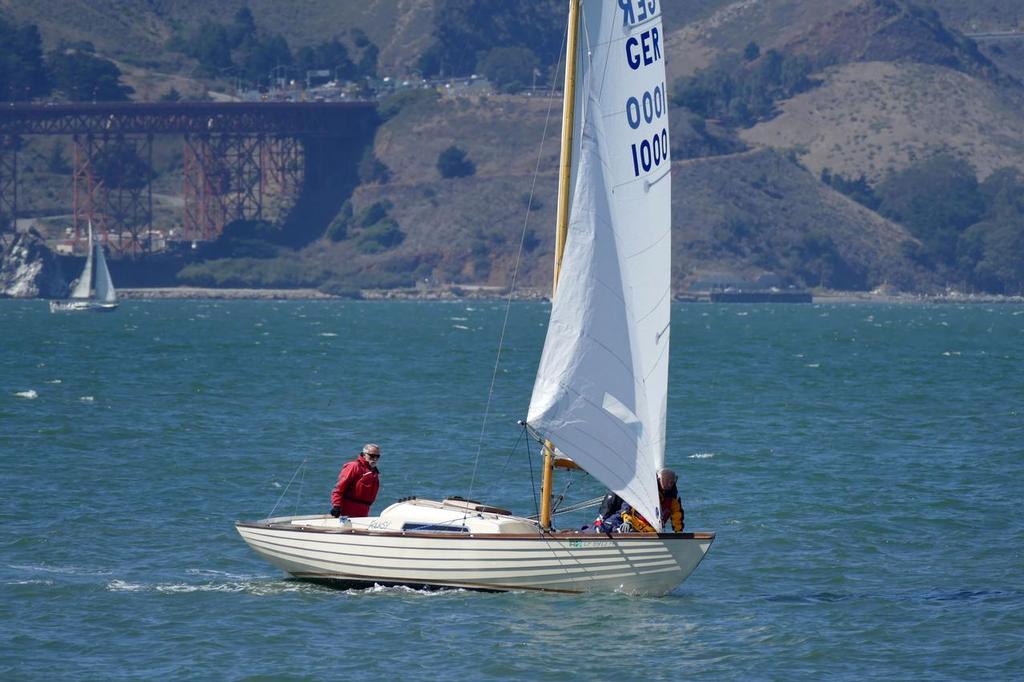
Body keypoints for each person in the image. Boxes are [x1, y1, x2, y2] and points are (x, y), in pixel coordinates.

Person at [619, 468, 685, 533]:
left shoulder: (674, 497)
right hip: (634, 524)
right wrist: (627, 521)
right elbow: (628, 503)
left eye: (671, 482)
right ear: (659, 479)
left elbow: (677, 516)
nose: (669, 484)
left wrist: (678, 532)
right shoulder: (645, 489)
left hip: (653, 531)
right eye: (666, 480)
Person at [329, 443, 381, 518]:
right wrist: (336, 506)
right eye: (372, 456)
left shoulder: (373, 471)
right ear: (364, 454)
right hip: (349, 509)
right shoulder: (354, 466)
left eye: (377, 456)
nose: (375, 459)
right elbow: (339, 488)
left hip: (364, 510)